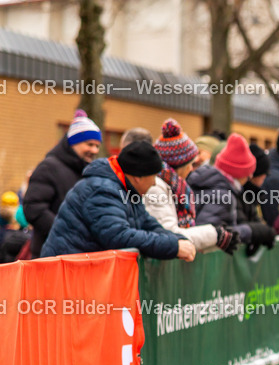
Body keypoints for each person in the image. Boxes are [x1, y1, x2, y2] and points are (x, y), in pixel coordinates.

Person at [41, 140, 195, 262]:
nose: (155, 183)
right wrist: (173, 247)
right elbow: (118, 236)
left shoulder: (126, 188)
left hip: (82, 274)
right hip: (66, 277)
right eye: (153, 177)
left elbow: (148, 224)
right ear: (138, 177)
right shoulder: (102, 190)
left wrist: (178, 240)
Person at [147, 119, 238, 254]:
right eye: (190, 164)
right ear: (180, 165)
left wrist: (216, 239)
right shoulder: (156, 188)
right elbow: (169, 235)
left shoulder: (176, 187)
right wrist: (215, 235)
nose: (191, 169)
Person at [23, 109, 101, 257]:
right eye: (89, 144)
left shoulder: (87, 171)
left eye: (97, 146)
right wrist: (66, 231)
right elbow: (33, 208)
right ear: (73, 142)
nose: (94, 150)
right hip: (51, 255)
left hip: (79, 253)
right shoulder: (49, 167)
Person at [187, 133, 276, 254]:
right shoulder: (222, 194)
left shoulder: (213, 184)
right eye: (248, 172)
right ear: (240, 173)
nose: (250, 176)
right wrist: (251, 231)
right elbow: (211, 234)